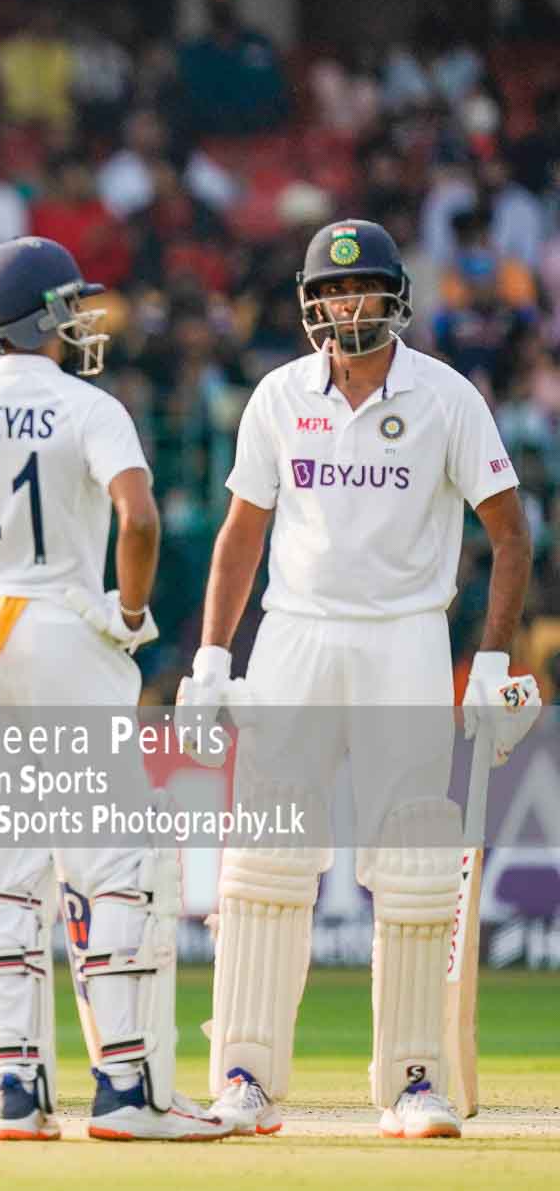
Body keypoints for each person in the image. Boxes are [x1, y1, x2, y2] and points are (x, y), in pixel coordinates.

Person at [176, 219, 540, 1140]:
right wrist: (212, 658)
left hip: (405, 639)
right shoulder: (277, 396)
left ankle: (414, 1082)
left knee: (414, 861)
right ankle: (246, 1077)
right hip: (294, 636)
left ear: (394, 296)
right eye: (330, 292)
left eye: (361, 288)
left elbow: (510, 532)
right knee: (265, 861)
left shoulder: (447, 397)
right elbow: (242, 534)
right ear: (311, 304)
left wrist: (491, 662)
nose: (345, 305)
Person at [0, 236, 225, 1140]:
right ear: (45, 316)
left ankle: (13, 1089)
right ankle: (126, 1089)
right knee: (111, 869)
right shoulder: (89, 405)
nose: (81, 320)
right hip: (67, 626)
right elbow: (138, 518)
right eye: (70, 306)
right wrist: (131, 611)